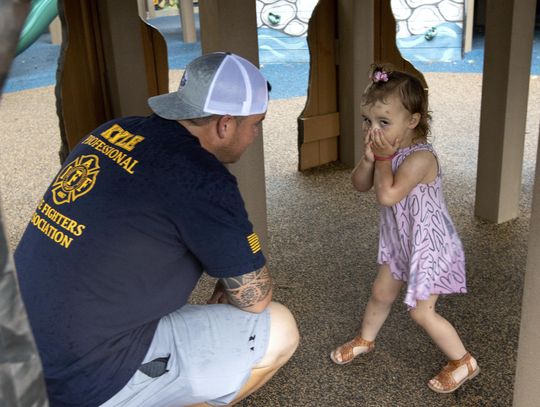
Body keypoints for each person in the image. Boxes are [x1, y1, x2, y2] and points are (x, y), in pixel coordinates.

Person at [14, 51, 299, 407]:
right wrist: (238, 276)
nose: (255, 134)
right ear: (225, 124)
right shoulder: (202, 178)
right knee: (280, 328)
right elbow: (255, 300)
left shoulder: (112, 131)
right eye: (256, 123)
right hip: (78, 378)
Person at [329, 64, 479, 393]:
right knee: (381, 293)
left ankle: (463, 361)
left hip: (430, 247)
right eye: (368, 121)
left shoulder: (421, 158)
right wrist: (369, 161)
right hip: (400, 242)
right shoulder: (385, 151)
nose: (373, 130)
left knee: (421, 313)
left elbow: (388, 195)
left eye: (384, 122)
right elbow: (360, 185)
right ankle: (365, 340)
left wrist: (382, 160)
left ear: (412, 121)